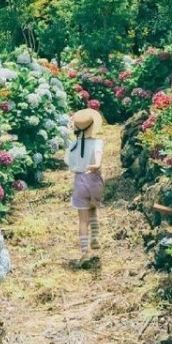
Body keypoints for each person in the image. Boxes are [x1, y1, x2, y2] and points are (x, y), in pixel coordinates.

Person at [65, 107, 104, 262]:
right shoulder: (98, 142)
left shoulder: (73, 146)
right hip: (95, 179)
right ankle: (95, 237)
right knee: (93, 209)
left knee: (82, 219)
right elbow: (98, 155)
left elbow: (70, 164)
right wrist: (96, 165)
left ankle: (84, 251)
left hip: (80, 180)